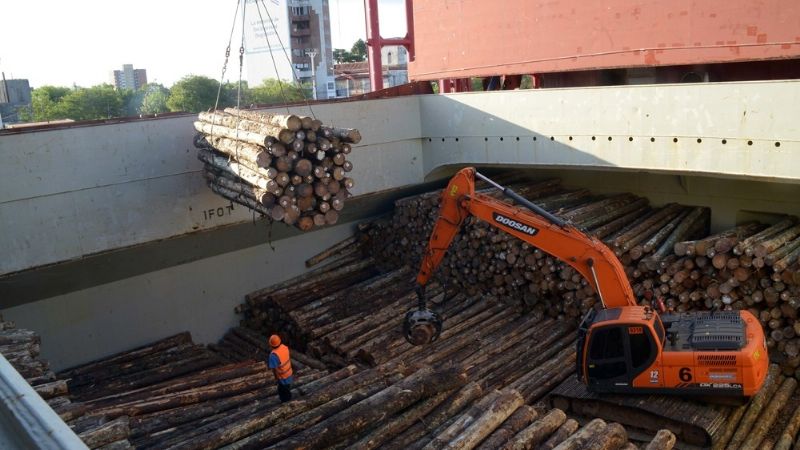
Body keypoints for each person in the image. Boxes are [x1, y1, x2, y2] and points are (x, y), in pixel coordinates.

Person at [267, 334, 293, 402]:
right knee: (287, 389)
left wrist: (276, 378)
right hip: (289, 373)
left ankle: (286, 403)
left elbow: (274, 369)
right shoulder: (284, 347)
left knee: (283, 393)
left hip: (282, 377)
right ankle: (288, 399)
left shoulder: (273, 355)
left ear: (271, 345)